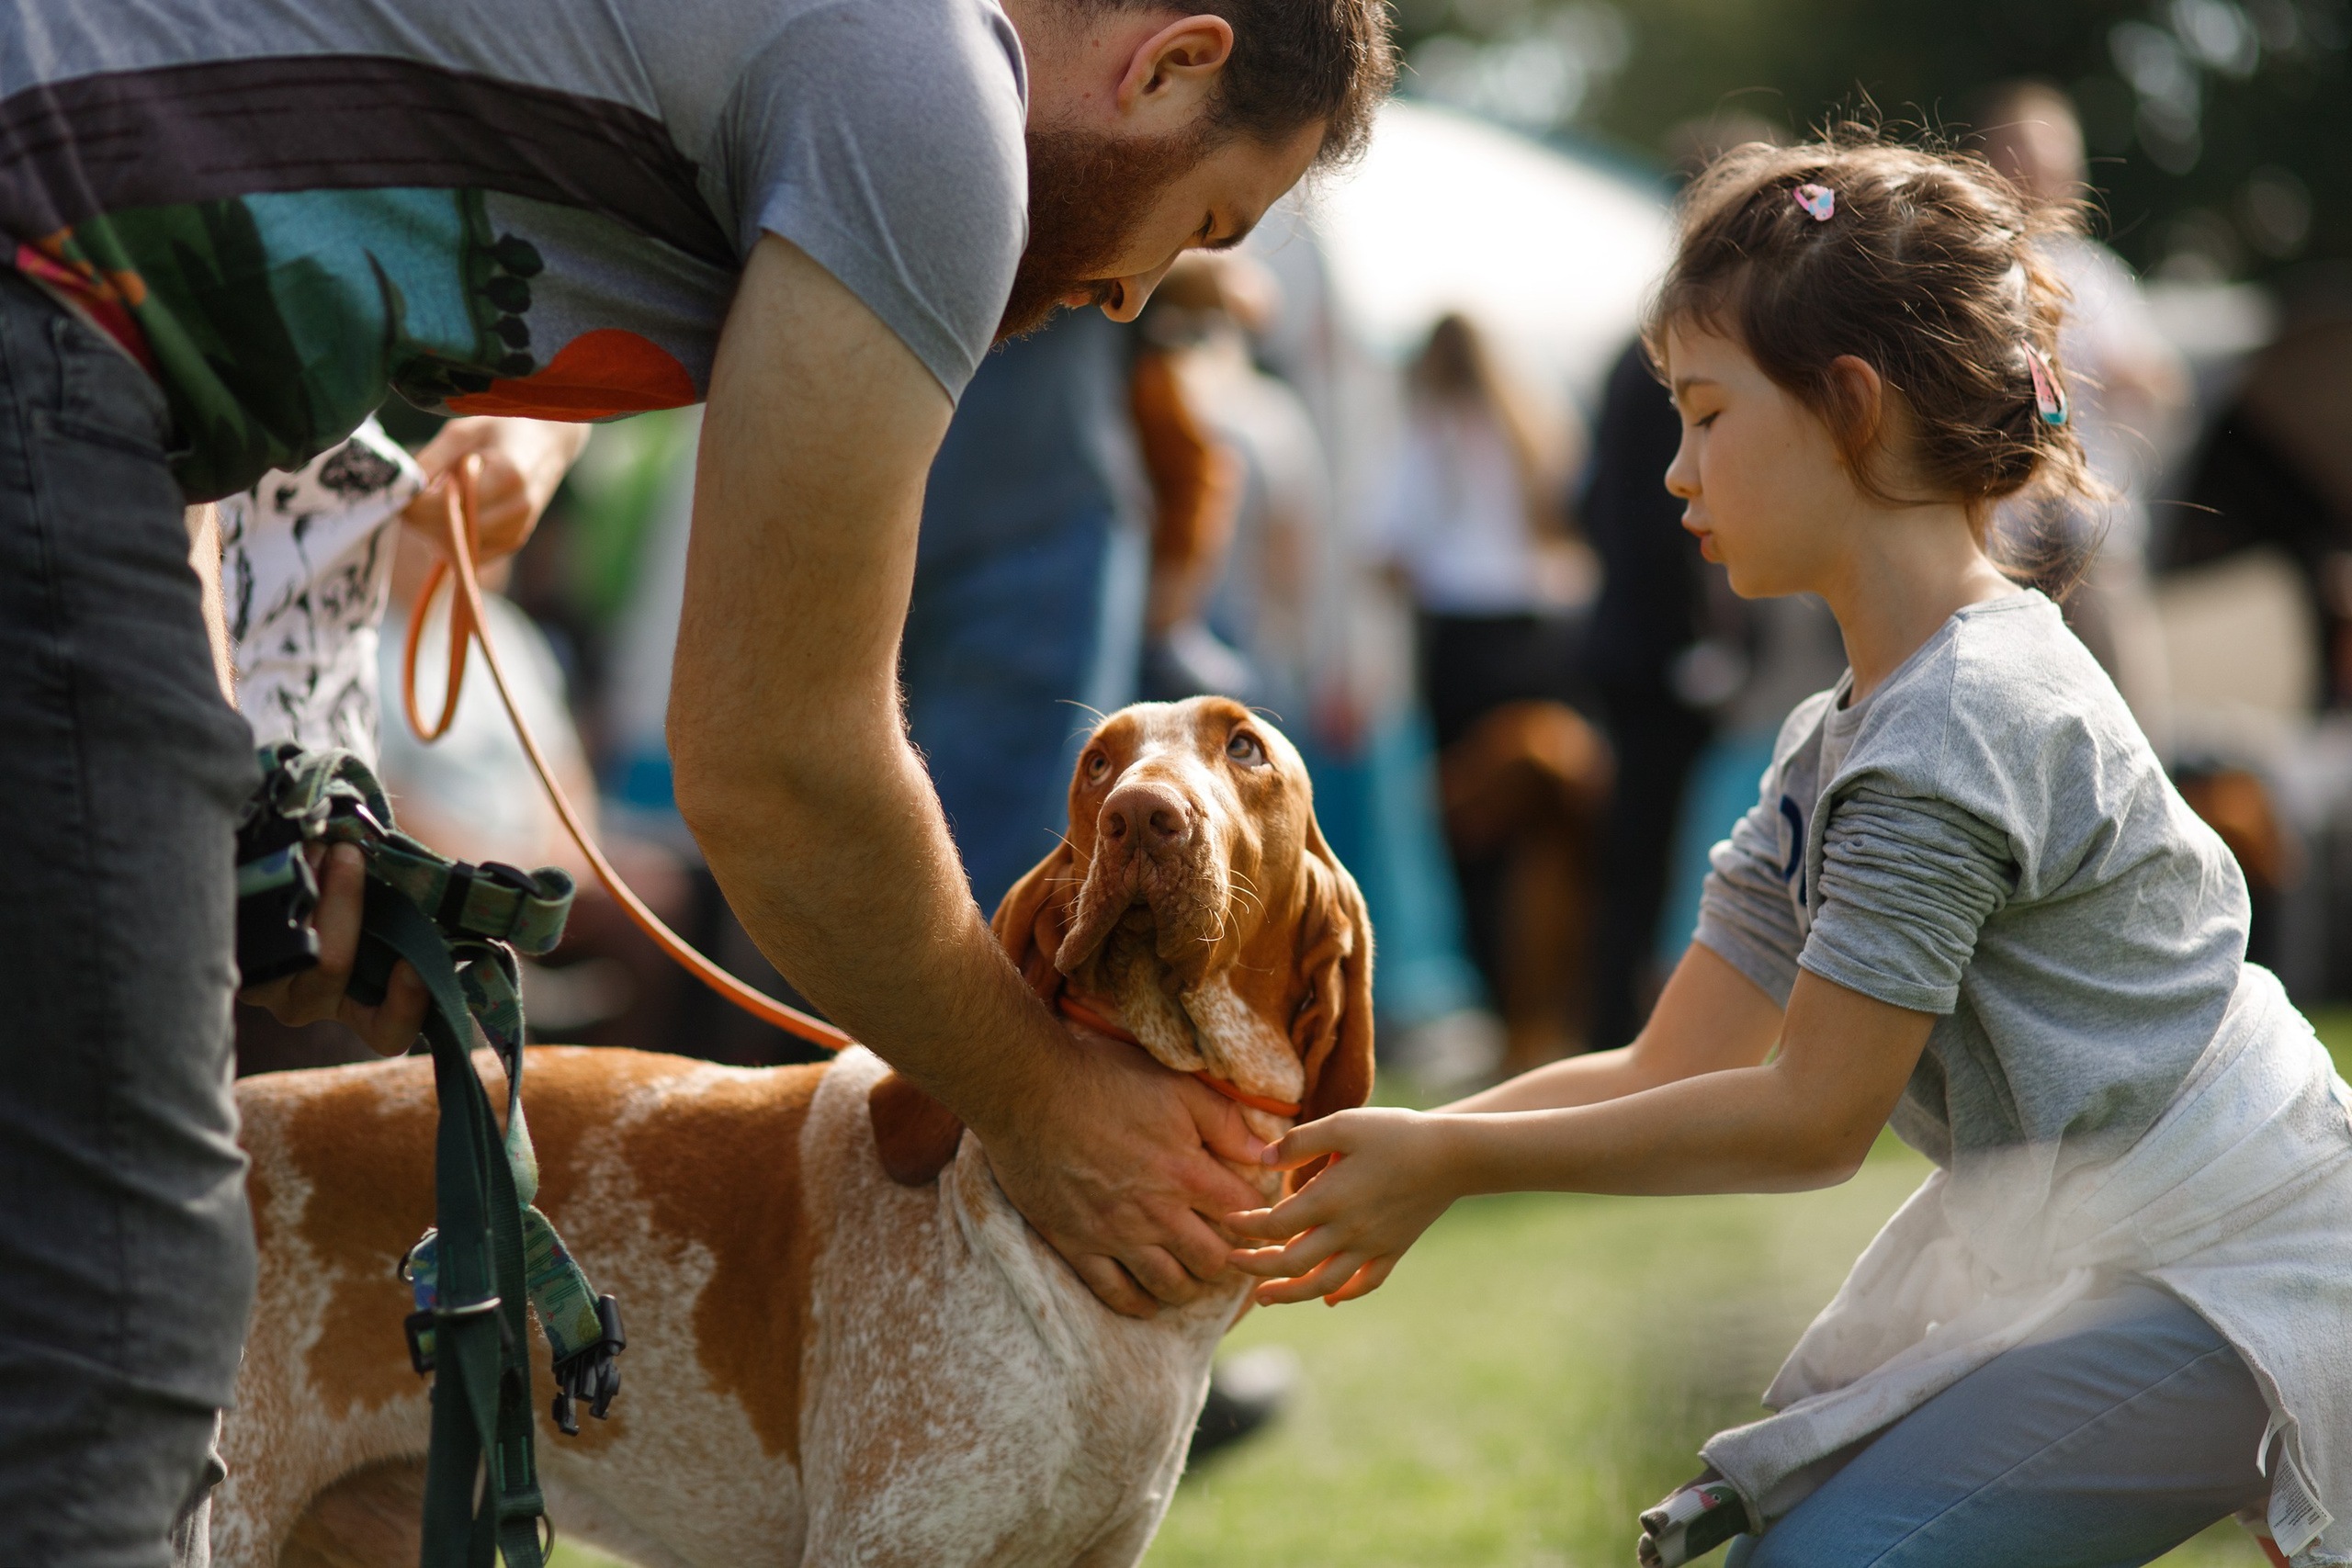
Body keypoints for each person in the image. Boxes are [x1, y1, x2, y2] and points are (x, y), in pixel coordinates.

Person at [0, 0, 1394, 1556]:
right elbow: (780, 762)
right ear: (1173, 62)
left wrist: (514, 445)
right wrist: (1036, 1099)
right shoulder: (938, 95)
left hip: (86, 360)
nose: (1135, 294)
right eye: (1204, 222)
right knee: (121, 1301)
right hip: (45, 321)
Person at [1229, 134, 2352, 1568]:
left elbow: (1811, 1118)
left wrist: (1452, 1151)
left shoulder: (1960, 720)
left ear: (1850, 411)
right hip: (2132, 1251)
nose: (1675, 471)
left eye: (1707, 414)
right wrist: (1402, 1152)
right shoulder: (1842, 735)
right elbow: (1669, 1063)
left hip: (2236, 1255)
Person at [1973, 81, 2190, 759]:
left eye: (2056, 162)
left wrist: (2129, 378)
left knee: (2129, 718)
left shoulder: (2096, 276)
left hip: (2090, 537)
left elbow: (2165, 385)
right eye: (2027, 159)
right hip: (2000, 542)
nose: (2044, 179)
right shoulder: (1972, 272)